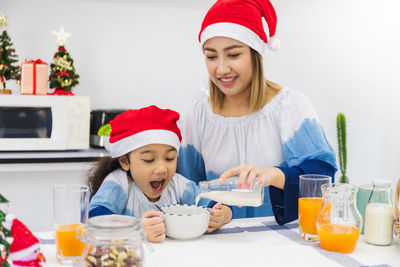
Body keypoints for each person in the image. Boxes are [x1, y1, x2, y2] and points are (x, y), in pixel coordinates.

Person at [177, 0, 336, 225]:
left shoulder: (289, 106)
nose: (221, 68)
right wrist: (214, 213)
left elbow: (324, 178)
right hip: (218, 246)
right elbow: (185, 186)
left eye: (233, 55)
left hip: (282, 243)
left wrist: (273, 174)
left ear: (255, 54)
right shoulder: (198, 116)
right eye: (211, 56)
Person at [88, 105, 232, 242]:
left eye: (170, 158)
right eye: (149, 160)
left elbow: (212, 202)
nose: (162, 169)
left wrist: (223, 214)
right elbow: (93, 217)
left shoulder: (179, 185)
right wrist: (137, 229)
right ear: (125, 162)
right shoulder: (118, 183)